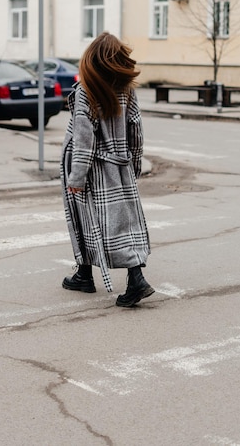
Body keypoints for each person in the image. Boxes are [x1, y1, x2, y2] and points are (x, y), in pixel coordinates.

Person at [60, 32, 154, 307]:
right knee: (123, 224)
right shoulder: (127, 91)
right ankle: (86, 273)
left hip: (92, 170)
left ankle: (127, 279)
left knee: (85, 220)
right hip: (120, 165)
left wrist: (77, 176)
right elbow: (136, 131)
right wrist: (134, 163)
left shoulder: (85, 92)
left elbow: (83, 139)